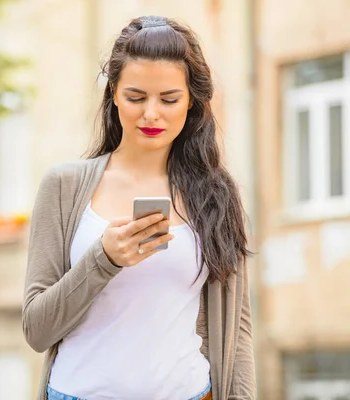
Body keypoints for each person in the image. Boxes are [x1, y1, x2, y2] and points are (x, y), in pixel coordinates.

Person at [22, 15, 256, 400]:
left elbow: (238, 328)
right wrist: (103, 260)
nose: (151, 113)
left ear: (192, 101)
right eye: (135, 97)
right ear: (113, 93)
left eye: (168, 99)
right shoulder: (63, 187)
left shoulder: (217, 193)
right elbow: (37, 329)